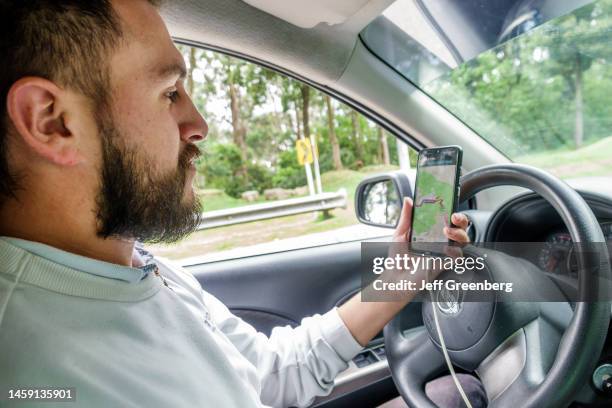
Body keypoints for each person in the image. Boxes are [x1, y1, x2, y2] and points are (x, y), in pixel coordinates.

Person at [0, 1, 485, 407]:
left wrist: (401, 277)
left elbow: (268, 373)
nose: (198, 124)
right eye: (169, 93)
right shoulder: (33, 374)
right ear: (51, 121)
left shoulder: (135, 264)